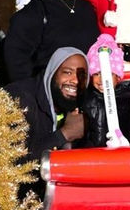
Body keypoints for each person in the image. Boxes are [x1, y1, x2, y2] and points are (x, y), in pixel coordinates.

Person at [3, 0, 99, 82]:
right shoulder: (37, 8)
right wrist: (28, 88)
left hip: (84, 86)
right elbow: (15, 53)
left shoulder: (87, 8)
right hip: (48, 88)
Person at [5, 47, 89, 196]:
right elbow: (10, 165)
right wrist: (64, 134)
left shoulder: (76, 108)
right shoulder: (19, 99)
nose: (75, 80)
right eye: (67, 72)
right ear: (52, 73)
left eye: (81, 75)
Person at [82, 34, 130, 147]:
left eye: (109, 74)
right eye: (97, 74)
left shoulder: (129, 98)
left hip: (123, 151)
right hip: (93, 152)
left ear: (118, 77)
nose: (102, 79)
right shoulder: (86, 97)